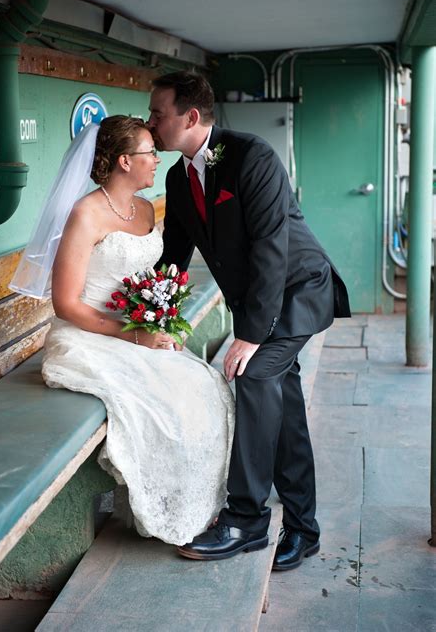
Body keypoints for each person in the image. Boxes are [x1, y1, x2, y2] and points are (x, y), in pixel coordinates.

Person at [147, 72, 351, 569]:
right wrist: (157, 316)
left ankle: (246, 520)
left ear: (191, 117)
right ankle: (303, 527)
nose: (150, 122)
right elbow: (174, 254)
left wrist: (249, 337)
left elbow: (269, 249)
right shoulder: (178, 177)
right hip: (260, 301)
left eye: (158, 113)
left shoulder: (251, 156)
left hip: (298, 290)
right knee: (284, 407)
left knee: (255, 375)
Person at [10, 116, 235, 546]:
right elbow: (67, 303)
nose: (157, 159)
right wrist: (135, 335)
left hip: (137, 330)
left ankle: (201, 506)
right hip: (90, 338)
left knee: (207, 387)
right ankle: (166, 510)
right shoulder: (85, 215)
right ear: (124, 161)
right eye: (150, 152)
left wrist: (161, 320)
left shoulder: (147, 208)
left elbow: (149, 279)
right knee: (162, 406)